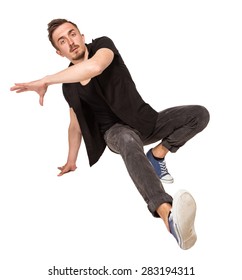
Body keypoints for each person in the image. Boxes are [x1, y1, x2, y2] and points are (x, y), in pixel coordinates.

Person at [10, 18, 210, 250]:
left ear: (82, 36)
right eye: (62, 41)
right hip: (116, 132)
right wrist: (71, 161)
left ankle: (157, 154)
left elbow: (94, 67)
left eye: (72, 34)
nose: (71, 42)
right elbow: (74, 125)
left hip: (146, 121)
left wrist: (45, 80)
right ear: (59, 52)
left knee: (199, 114)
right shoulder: (68, 85)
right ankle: (169, 217)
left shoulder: (104, 45)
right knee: (126, 139)